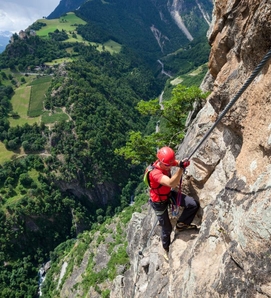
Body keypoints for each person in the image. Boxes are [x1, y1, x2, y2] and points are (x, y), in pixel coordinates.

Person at [148, 146, 199, 260]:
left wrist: (182, 163)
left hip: (167, 195)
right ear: (161, 162)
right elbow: (171, 183)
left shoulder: (166, 163)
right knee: (166, 228)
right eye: (168, 165)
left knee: (193, 204)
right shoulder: (154, 173)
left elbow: (176, 163)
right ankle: (166, 248)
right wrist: (181, 169)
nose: (171, 166)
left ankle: (182, 224)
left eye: (171, 164)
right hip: (158, 202)